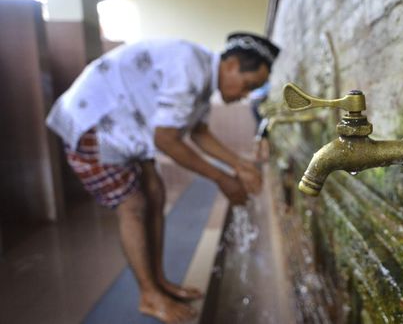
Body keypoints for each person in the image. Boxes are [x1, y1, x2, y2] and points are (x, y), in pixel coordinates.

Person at [46, 32, 280, 323]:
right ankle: (149, 295)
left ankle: (158, 280)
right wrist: (223, 178)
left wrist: (240, 165)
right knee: (133, 205)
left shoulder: (203, 75)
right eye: (248, 86)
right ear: (232, 65)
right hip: (94, 123)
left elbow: (198, 133)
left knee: (155, 192)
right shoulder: (189, 67)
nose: (245, 95)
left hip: (125, 126)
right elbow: (167, 140)